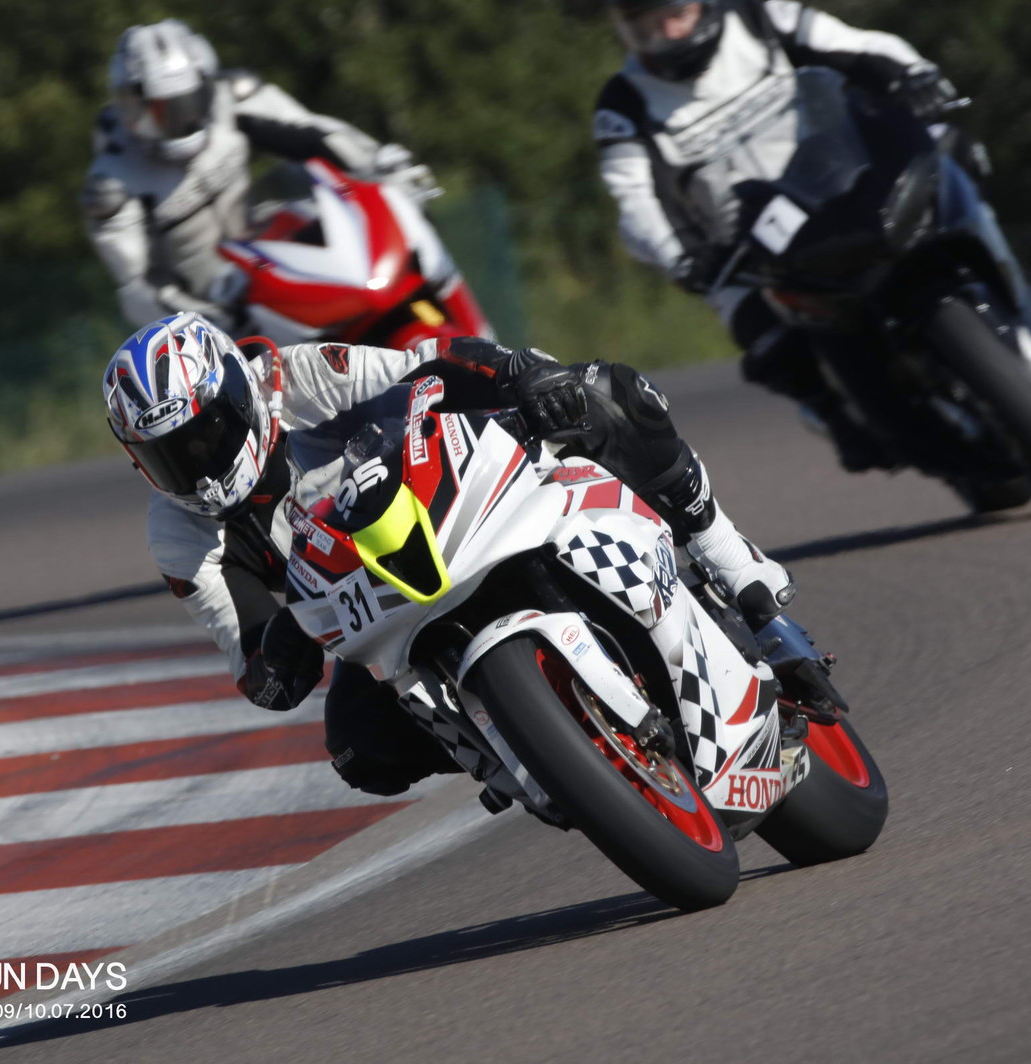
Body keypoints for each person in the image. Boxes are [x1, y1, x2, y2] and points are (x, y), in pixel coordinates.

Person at [104, 313, 796, 796]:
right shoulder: (180, 536)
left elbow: (428, 363)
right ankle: (523, 747)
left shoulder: (297, 377)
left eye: (206, 433)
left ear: (239, 392)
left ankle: (732, 562)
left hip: (454, 500)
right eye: (170, 456)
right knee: (358, 748)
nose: (198, 465)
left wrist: (516, 374)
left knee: (605, 394)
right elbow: (258, 673)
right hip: (380, 615)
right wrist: (281, 651)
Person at [594, 0, 958, 470]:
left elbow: (861, 46)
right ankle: (836, 415)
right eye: (646, 24)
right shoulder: (621, 102)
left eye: (675, 14)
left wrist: (916, 74)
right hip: (744, 248)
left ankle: (1005, 286)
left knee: (949, 176)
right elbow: (632, 199)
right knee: (763, 336)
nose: (667, 32)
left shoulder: (762, 16)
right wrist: (677, 257)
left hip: (843, 181)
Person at [83, 19, 434, 332]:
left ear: (206, 84)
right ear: (129, 104)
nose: (176, 120)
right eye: (155, 109)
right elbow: (139, 289)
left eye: (184, 103)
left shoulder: (231, 99)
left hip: (275, 259)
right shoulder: (111, 183)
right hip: (218, 313)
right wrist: (208, 319)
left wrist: (380, 166)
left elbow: (315, 135)